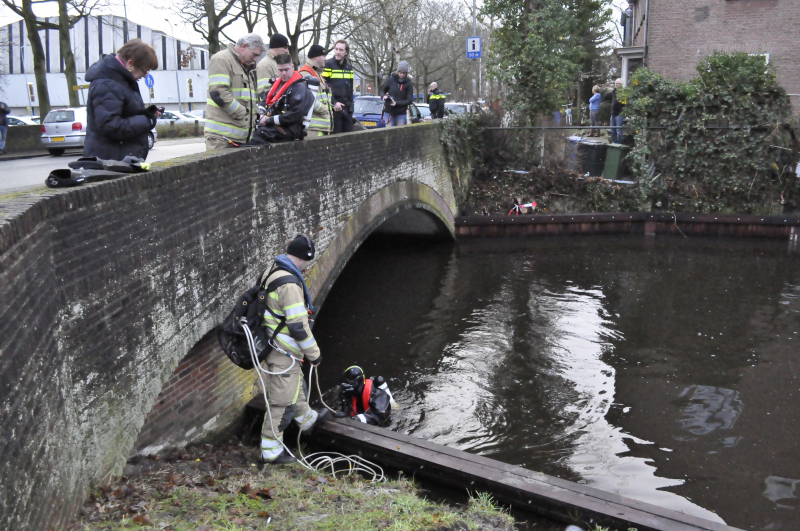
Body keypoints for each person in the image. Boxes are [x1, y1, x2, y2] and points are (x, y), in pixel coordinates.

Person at [259, 235, 329, 464]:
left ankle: (306, 419)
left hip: (275, 345)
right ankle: (271, 450)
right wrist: (315, 355)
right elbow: (298, 327)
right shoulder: (289, 285)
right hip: (282, 350)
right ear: (305, 258)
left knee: (295, 384)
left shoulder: (274, 269)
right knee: (282, 401)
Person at [83, 39, 160, 161]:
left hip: (117, 160)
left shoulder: (119, 81)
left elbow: (123, 115)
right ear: (130, 63)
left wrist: (147, 113)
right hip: (111, 163)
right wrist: (147, 120)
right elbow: (112, 126)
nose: (145, 75)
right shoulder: (107, 84)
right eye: (144, 71)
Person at [204, 33, 262, 151]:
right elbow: (219, 93)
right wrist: (244, 114)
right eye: (254, 54)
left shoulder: (246, 66)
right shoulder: (221, 59)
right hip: (221, 138)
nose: (256, 59)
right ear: (244, 46)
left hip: (240, 137)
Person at [252, 53, 315, 144]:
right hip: (275, 126)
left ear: (292, 67)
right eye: (280, 70)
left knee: (258, 136)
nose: (284, 73)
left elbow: (295, 115)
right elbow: (264, 102)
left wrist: (268, 120)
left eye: (286, 69)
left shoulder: (299, 87)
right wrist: (261, 114)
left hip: (289, 129)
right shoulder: (277, 85)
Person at [298, 44, 333, 136]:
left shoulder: (317, 74)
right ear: (316, 57)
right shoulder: (305, 73)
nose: (326, 59)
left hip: (321, 128)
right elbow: (306, 98)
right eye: (324, 56)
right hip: (312, 129)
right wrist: (325, 109)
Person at [323, 40, 355, 134]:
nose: (337, 52)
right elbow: (324, 86)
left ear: (346, 52)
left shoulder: (349, 68)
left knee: (349, 138)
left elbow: (350, 88)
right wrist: (334, 102)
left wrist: (350, 107)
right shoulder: (328, 65)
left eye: (341, 50)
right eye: (336, 49)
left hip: (347, 109)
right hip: (334, 109)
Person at [256, 34, 290, 100]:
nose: (287, 51)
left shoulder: (279, 62)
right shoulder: (265, 65)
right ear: (276, 48)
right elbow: (264, 93)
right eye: (285, 48)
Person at [381, 61, 414, 127]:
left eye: (404, 73)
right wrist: (383, 96)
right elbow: (383, 90)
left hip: (401, 113)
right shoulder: (391, 79)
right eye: (401, 72)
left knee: (400, 133)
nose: (402, 74)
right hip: (389, 111)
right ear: (398, 72)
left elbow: (409, 100)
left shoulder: (409, 84)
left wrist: (397, 103)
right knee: (389, 132)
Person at [610, 78, 626, 144]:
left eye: (618, 84)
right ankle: (614, 142)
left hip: (619, 113)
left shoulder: (623, 92)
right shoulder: (613, 92)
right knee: (612, 130)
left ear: (621, 84)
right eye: (616, 83)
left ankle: (619, 143)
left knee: (619, 130)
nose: (617, 85)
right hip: (613, 113)